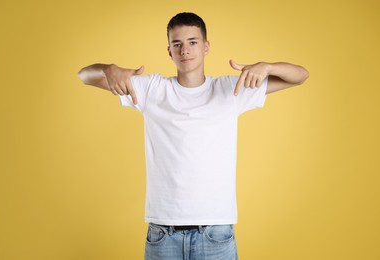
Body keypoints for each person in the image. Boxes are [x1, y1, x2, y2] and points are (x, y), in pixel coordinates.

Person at [78, 12, 309, 260]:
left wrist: (268, 66)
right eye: (177, 44)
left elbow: (300, 76)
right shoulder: (152, 90)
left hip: (215, 234)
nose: (185, 50)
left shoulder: (231, 89)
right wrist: (109, 69)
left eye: (192, 42)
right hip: (163, 234)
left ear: (206, 46)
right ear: (169, 51)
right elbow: (84, 75)